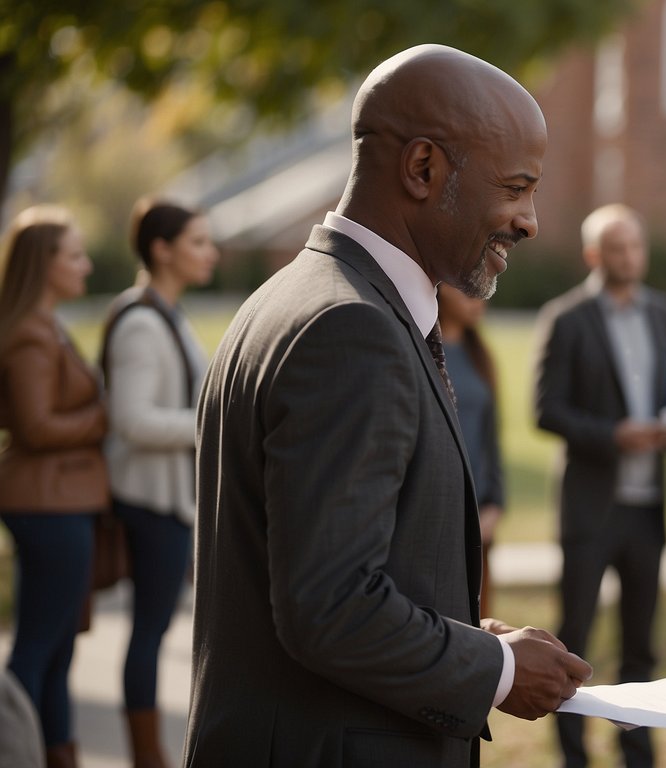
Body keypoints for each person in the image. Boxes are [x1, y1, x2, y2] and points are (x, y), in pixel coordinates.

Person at [184, 44, 591, 767]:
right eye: (516, 187)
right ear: (424, 168)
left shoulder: (293, 297)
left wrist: (466, 641)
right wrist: (497, 673)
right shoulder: (351, 330)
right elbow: (331, 604)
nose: (528, 221)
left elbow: (338, 562)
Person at [534, 203, 666, 768]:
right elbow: (546, 411)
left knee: (640, 648)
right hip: (591, 507)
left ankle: (637, 755)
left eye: (636, 247)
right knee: (574, 640)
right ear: (594, 255)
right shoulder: (566, 317)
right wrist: (615, 435)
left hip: (647, 507)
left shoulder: (660, 313)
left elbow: (660, 390)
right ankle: (574, 758)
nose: (630, 258)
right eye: (617, 249)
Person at [100, 200, 218, 767]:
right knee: (148, 631)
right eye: (197, 242)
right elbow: (132, 419)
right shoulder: (143, 322)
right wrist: (209, 425)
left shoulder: (166, 313)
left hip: (170, 500)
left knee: (154, 628)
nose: (210, 252)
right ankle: (147, 755)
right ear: (161, 249)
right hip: (150, 501)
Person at [0, 205, 109, 768]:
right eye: (73, 255)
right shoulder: (29, 335)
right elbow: (36, 425)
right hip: (47, 502)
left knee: (58, 648)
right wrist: (103, 416)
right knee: (39, 649)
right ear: (43, 265)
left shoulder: (45, 326)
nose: (85, 265)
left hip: (61, 499)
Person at [435, 283, 504, 619]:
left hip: (481, 517)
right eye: (466, 291)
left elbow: (493, 439)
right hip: (439, 513)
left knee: (479, 619)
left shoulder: (480, 356)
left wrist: (495, 504)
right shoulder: (425, 351)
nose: (478, 300)